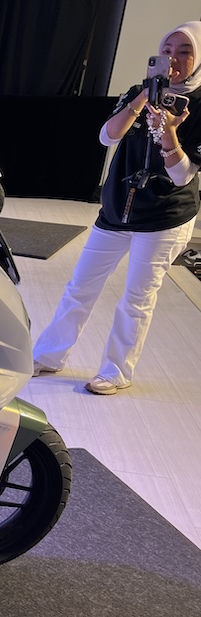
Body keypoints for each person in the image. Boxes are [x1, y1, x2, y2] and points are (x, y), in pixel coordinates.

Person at [32, 21, 201, 395]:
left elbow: (182, 176)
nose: (173, 59)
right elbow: (107, 136)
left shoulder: (200, 107)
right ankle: (48, 355)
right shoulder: (139, 93)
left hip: (164, 216)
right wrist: (142, 99)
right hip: (116, 209)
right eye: (167, 50)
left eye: (185, 51)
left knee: (137, 298)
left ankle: (116, 371)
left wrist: (169, 132)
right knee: (80, 286)